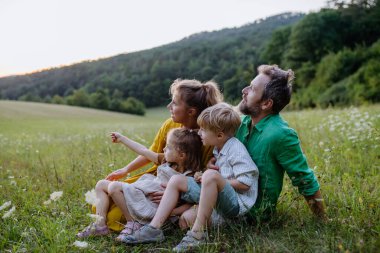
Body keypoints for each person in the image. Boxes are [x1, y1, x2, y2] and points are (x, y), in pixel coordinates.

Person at [179, 64, 326, 227]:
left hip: (251, 212)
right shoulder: (241, 123)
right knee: (180, 208)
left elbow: (304, 179)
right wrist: (214, 162)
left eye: (253, 89)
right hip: (229, 196)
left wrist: (323, 220)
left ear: (266, 104)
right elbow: (225, 151)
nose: (244, 90)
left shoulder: (281, 134)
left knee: (186, 220)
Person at [121, 103, 259, 251]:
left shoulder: (236, 149)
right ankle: (154, 228)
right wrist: (208, 172)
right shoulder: (219, 148)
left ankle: (197, 235)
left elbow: (245, 184)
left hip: (235, 205)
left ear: (219, 135)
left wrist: (211, 179)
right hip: (219, 196)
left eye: (203, 130)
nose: (199, 133)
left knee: (210, 176)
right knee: (176, 180)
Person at [90, 79, 223, 231]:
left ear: (191, 111)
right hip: (154, 179)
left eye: (174, 103)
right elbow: (149, 153)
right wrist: (126, 170)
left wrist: (175, 196)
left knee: (114, 217)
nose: (169, 107)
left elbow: (200, 179)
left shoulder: (208, 137)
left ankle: (137, 223)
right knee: (101, 204)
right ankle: (108, 225)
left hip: (179, 189)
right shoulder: (169, 125)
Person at [77, 128, 202, 239]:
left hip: (152, 205)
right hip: (142, 194)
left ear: (181, 155)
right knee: (101, 184)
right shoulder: (165, 160)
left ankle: (132, 223)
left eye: (168, 147)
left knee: (114, 187)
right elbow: (143, 150)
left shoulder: (189, 177)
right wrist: (122, 139)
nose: (164, 149)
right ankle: (100, 225)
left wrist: (173, 212)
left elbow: (192, 203)